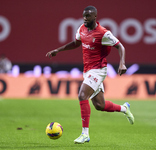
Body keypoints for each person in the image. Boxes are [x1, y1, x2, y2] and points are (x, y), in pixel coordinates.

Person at [46, 5, 134, 144]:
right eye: (84, 16)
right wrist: (58, 50)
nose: (85, 18)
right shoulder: (81, 28)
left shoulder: (103, 33)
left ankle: (85, 134)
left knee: (82, 95)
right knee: (100, 105)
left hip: (98, 70)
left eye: (88, 16)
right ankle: (124, 108)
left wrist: (122, 63)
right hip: (87, 70)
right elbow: (76, 43)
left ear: (95, 16)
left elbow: (120, 46)